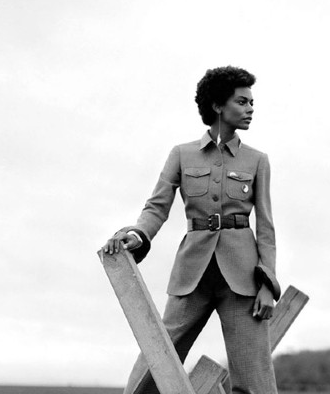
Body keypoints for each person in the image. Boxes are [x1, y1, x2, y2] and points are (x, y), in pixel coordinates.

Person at [103, 66, 281, 394]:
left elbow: (266, 227)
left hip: (244, 281)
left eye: (252, 103)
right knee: (155, 362)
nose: (250, 109)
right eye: (242, 102)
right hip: (192, 275)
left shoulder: (258, 160)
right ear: (217, 106)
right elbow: (156, 207)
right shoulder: (182, 154)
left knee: (254, 380)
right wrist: (137, 235)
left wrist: (268, 285)